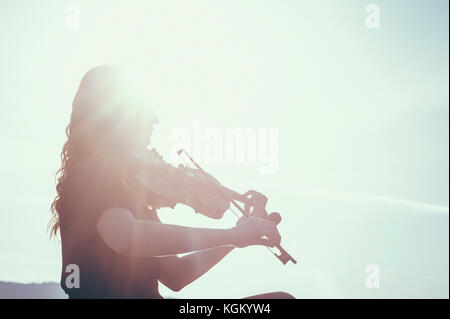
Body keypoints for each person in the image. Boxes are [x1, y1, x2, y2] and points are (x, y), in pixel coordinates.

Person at [49, 65, 294, 299]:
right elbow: (126, 235)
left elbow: (176, 276)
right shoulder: (90, 178)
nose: (155, 120)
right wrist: (231, 233)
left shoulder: (136, 192)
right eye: (145, 111)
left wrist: (236, 238)